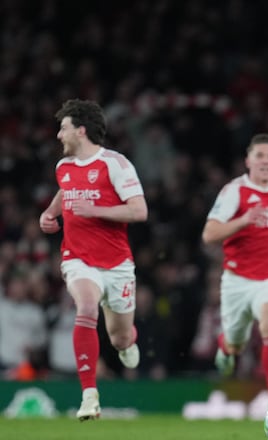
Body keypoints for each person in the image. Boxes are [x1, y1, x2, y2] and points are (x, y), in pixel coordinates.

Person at [39, 99, 147, 421]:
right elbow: (64, 191)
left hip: (116, 265)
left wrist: (95, 210)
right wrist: (49, 213)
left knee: (119, 337)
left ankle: (128, 342)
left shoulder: (115, 164)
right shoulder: (63, 167)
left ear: (81, 131)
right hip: (78, 259)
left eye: (64, 128)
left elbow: (139, 211)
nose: (59, 135)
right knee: (86, 307)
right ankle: (89, 394)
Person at [202, 133, 268, 404]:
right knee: (236, 343)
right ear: (248, 160)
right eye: (260, 156)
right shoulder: (234, 191)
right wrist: (243, 221)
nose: (265, 161)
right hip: (238, 280)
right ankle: (225, 347)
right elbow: (210, 233)